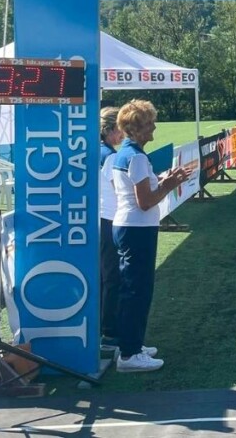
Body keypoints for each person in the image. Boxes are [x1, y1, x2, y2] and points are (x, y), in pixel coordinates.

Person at [111, 99, 193, 372]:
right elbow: (145, 201)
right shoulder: (135, 156)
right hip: (136, 229)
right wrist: (169, 184)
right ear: (135, 129)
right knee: (137, 290)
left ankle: (132, 345)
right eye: (149, 124)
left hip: (131, 227)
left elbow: (137, 189)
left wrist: (165, 179)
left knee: (134, 289)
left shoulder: (128, 154)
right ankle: (129, 354)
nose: (154, 128)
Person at [98, 106, 123, 352]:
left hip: (95, 220)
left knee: (102, 276)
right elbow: (121, 190)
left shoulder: (95, 150)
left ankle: (101, 328)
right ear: (110, 129)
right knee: (112, 277)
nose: (122, 135)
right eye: (120, 129)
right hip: (110, 220)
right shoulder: (111, 156)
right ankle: (110, 331)